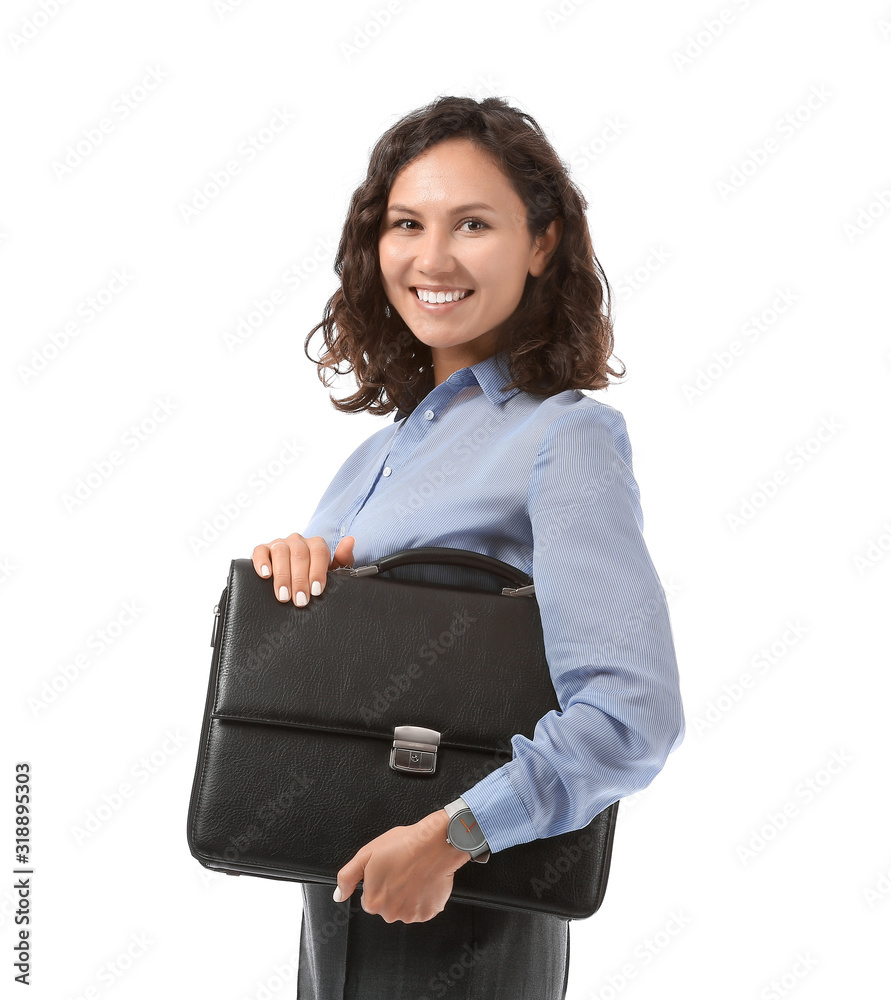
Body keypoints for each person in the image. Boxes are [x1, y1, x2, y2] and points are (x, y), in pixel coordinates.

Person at [250, 95, 685, 999]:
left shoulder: (566, 438)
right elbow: (306, 697)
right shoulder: (374, 456)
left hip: (464, 912)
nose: (433, 258)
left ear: (541, 244)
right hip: (334, 897)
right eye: (407, 223)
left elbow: (631, 717)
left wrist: (452, 835)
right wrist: (283, 591)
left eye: (473, 224)